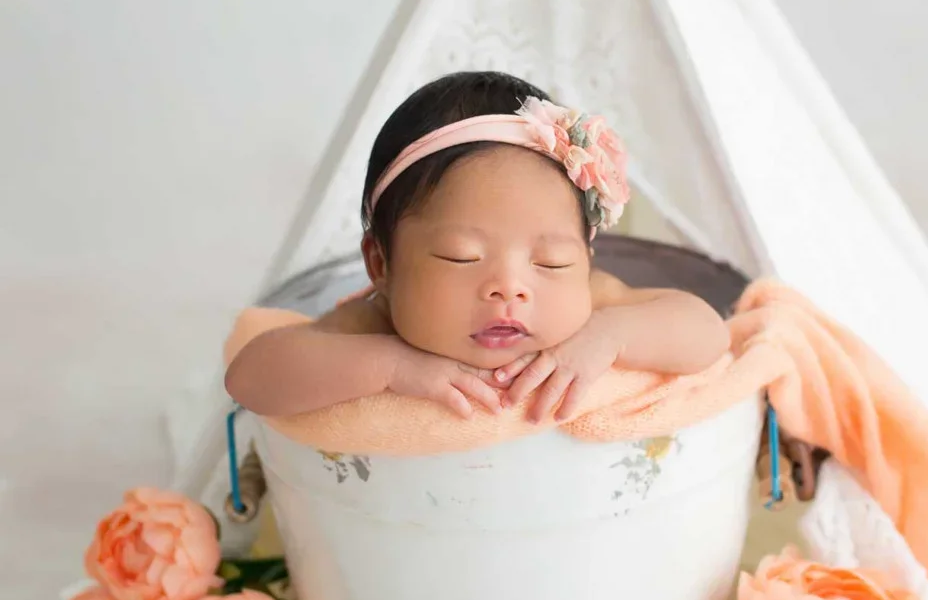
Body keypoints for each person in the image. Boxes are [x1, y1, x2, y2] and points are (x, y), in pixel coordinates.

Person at [226, 70, 730, 423]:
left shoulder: (594, 305)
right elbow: (250, 377)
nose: (508, 288)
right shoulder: (375, 323)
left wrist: (612, 335)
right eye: (461, 257)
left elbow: (709, 334)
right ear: (382, 265)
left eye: (551, 262)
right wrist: (390, 367)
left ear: (586, 261)